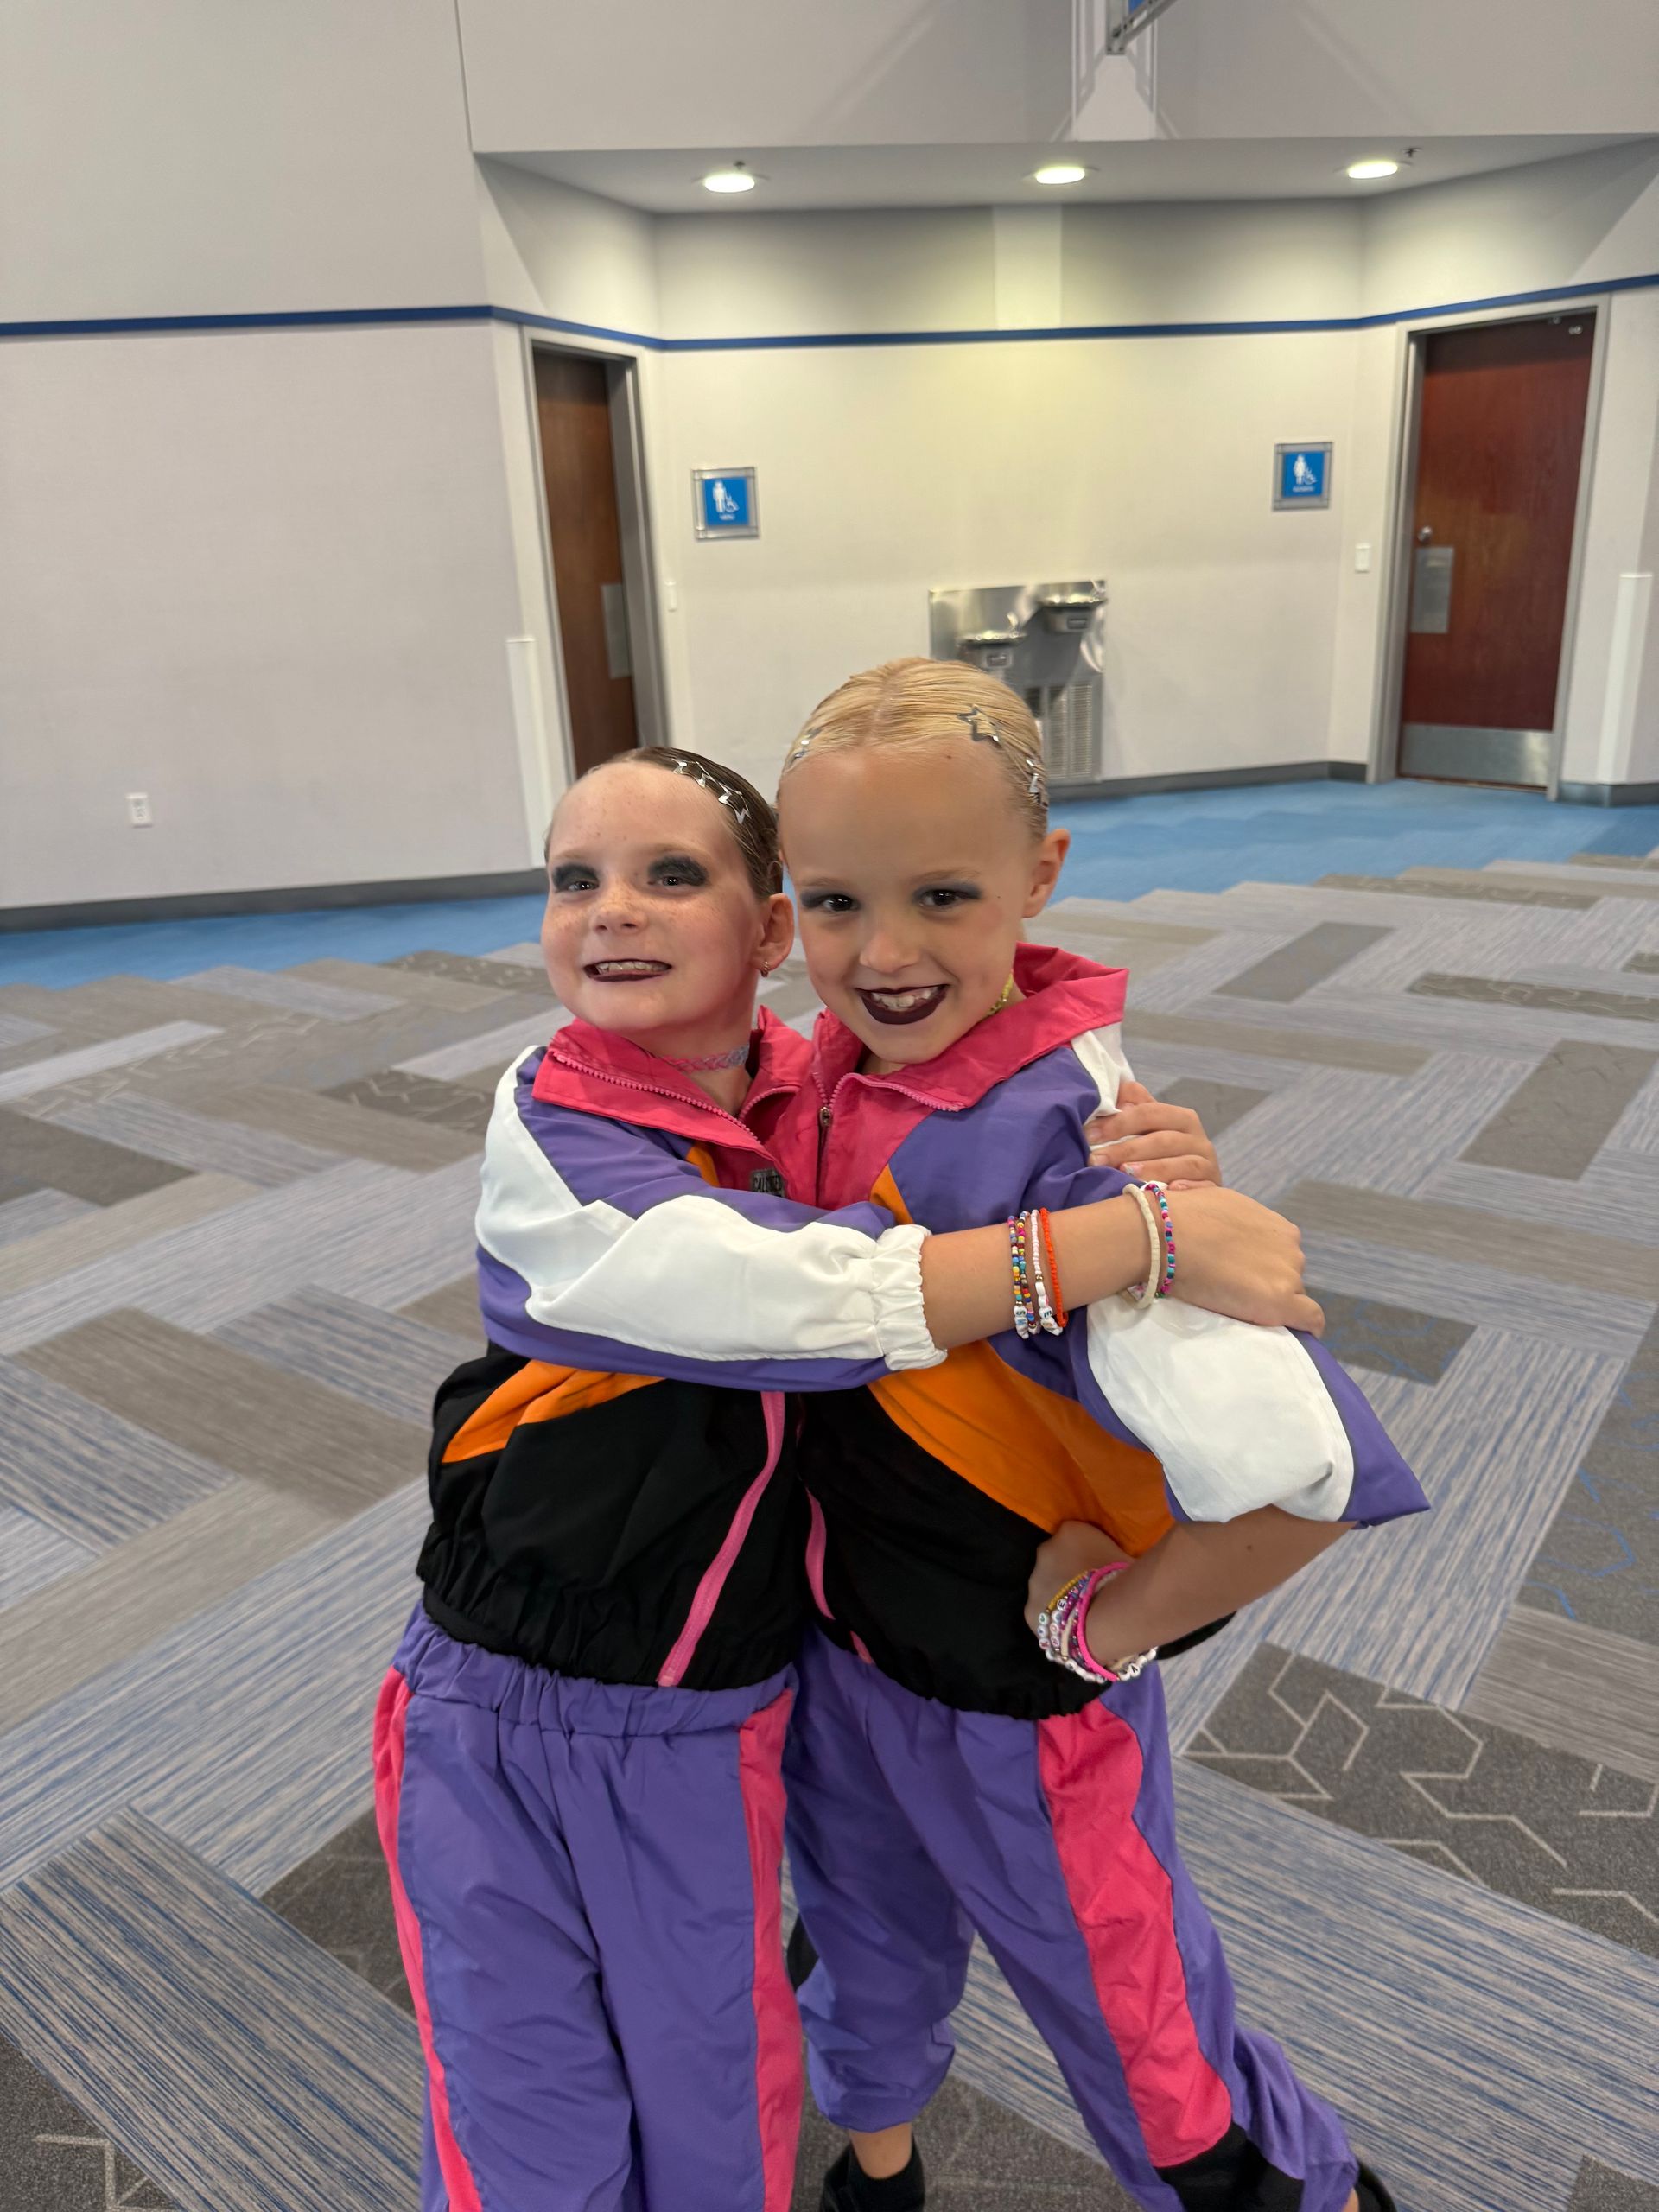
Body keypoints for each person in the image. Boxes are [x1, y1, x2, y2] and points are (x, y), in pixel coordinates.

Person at [372, 743, 1322, 2212]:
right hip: (519, 1705)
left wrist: (1147, 1145)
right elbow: (780, 1299)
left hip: (739, 1705)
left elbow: (989, 1066)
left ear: (765, 936)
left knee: (721, 2109)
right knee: (530, 2120)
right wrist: (1120, 1243)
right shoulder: (551, 1127)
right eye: (575, 879)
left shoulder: (817, 1096)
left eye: (668, 874)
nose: (611, 909)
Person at [769, 659, 1427, 2212]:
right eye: (833, 904)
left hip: (1015, 1707)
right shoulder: (815, 1077)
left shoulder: (1081, 1152)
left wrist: (1103, 1624)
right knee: (858, 1941)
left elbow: (1307, 1482)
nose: (883, 952)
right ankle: (877, 2176)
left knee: (1140, 2036)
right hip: (830, 1653)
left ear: (1040, 876)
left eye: (941, 893)